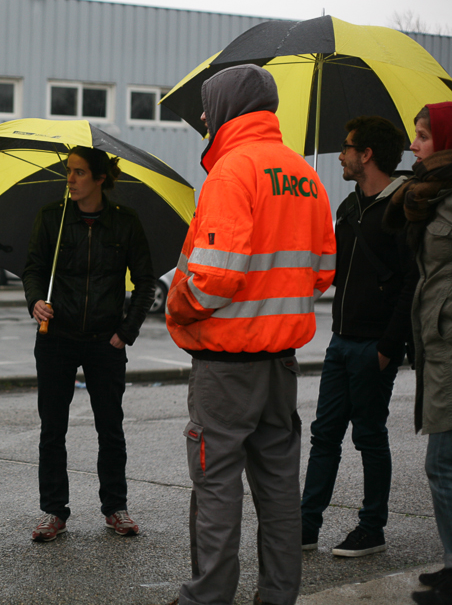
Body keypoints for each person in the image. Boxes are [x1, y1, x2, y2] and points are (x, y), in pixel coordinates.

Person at [165, 64, 336, 605]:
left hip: (226, 366)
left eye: (207, 105)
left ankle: (208, 598)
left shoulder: (231, 172)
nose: (201, 116)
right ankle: (277, 596)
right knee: (280, 491)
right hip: (280, 362)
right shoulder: (304, 176)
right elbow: (323, 271)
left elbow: (213, 275)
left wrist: (178, 305)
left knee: (216, 486)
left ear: (228, 107)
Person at [22, 145, 156, 542]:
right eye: (69, 172)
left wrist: (126, 331)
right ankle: (53, 512)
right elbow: (32, 268)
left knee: (110, 428)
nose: (71, 179)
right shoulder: (52, 217)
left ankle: (115, 507)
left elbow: (146, 281)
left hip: (105, 342)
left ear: (100, 179)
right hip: (56, 339)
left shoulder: (125, 222)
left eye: (79, 172)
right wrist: (35, 301)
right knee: (53, 429)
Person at [300, 116, 416, 558]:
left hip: (374, 346)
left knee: (369, 436)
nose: (341, 155)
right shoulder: (349, 208)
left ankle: (372, 528)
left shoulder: (401, 208)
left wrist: (389, 348)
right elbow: (333, 273)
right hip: (340, 341)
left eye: (347, 147)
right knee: (324, 434)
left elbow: (412, 282)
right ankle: (307, 527)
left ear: (366, 154)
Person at [383, 101, 452, 605]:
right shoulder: (429, 195)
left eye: (424, 136)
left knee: (442, 464)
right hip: (437, 347)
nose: (414, 144)